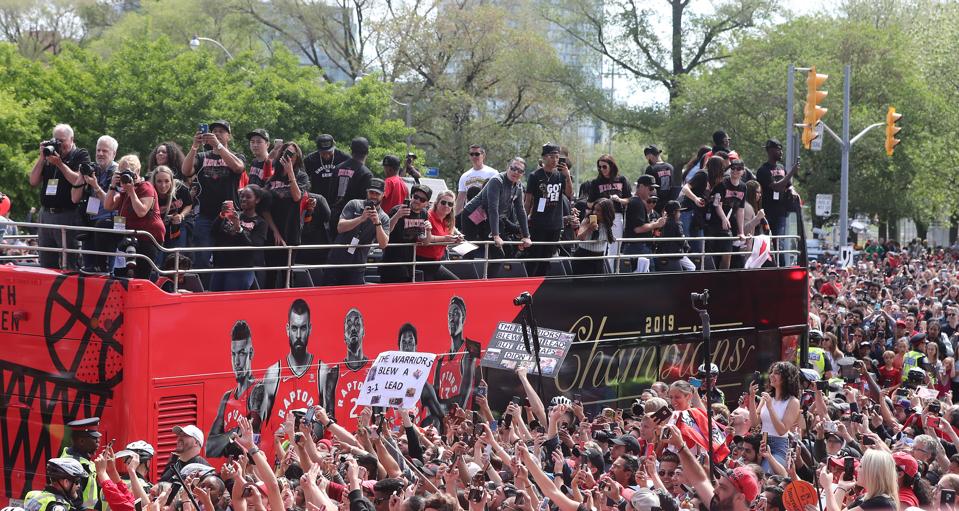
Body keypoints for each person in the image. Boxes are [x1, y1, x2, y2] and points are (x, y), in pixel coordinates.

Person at [181, 120, 246, 285]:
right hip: (206, 216)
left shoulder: (237, 156)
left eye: (221, 131)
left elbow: (238, 168)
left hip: (229, 216)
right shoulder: (203, 157)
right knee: (202, 259)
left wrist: (218, 146)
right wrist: (194, 146)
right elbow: (186, 171)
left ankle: (222, 292)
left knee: (226, 258)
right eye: (214, 131)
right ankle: (203, 291)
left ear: (228, 136)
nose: (216, 133)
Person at [89, 154, 165, 279]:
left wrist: (132, 191)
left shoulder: (146, 187)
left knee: (141, 276)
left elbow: (141, 212)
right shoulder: (123, 191)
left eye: (128, 173)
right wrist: (113, 186)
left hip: (147, 237)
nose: (125, 177)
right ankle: (101, 265)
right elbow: (108, 206)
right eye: (122, 173)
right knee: (103, 224)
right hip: (128, 235)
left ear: (138, 172)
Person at [29, 124, 91, 269]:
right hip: (45, 215)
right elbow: (33, 181)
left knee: (68, 263)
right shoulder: (50, 155)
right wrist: (41, 157)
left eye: (62, 141)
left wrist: (60, 164)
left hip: (67, 215)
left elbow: (78, 180)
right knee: (46, 261)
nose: (59, 144)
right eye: (56, 140)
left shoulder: (80, 154)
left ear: (72, 139)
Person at [207, 320, 268, 457]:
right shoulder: (227, 397)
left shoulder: (257, 390)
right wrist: (234, 433)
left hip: (248, 469)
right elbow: (210, 448)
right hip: (230, 471)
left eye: (241, 353)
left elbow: (252, 435)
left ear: (250, 353)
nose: (237, 362)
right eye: (233, 354)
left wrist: (223, 439)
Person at [461, 158, 531, 277]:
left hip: (489, 218)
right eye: (513, 168)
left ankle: (487, 282)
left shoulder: (518, 186)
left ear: (523, 174)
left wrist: (526, 236)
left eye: (520, 171)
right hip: (472, 215)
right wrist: (496, 235)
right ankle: (465, 280)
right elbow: (493, 208)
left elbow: (521, 210)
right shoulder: (496, 180)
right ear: (508, 167)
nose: (515, 172)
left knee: (499, 254)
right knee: (470, 248)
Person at [322, 178, 390, 286]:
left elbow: (383, 244)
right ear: (366, 192)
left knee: (353, 300)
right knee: (329, 296)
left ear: (383, 195)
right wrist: (361, 218)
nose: (373, 196)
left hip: (357, 265)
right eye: (371, 192)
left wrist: (377, 223)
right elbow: (340, 227)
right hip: (336, 260)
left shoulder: (384, 217)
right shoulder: (354, 204)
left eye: (377, 193)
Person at [261, 142, 310, 289]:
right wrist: (275, 231)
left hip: (291, 230)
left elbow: (297, 197)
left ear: (297, 157)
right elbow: (264, 208)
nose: (287, 157)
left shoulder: (301, 176)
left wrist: (290, 173)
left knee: (287, 275)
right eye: (285, 153)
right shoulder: (273, 178)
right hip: (273, 231)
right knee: (270, 273)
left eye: (291, 154)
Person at [524, 143, 573, 277]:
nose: (555, 160)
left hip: (555, 224)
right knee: (534, 257)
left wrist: (567, 176)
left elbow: (569, 194)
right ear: (544, 158)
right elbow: (528, 201)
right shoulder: (535, 176)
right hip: (538, 223)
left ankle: (541, 282)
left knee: (547, 258)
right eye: (552, 157)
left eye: (557, 157)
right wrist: (523, 223)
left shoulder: (560, 176)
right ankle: (529, 282)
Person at [210, 185, 267, 292]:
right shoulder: (233, 215)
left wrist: (238, 228)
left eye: (248, 197)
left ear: (257, 200)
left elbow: (253, 248)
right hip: (221, 265)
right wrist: (221, 215)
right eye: (242, 196)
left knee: (230, 303)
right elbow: (213, 233)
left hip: (240, 268)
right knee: (214, 302)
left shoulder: (260, 223)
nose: (243, 199)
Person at [319, 308, 372, 422]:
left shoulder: (373, 370)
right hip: (343, 438)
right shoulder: (334, 373)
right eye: (349, 325)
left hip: (366, 438)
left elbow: (379, 415)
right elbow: (329, 416)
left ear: (363, 331)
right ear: (344, 335)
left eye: (357, 324)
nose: (353, 328)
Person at [748, 361, 800, 472]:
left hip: (778, 447)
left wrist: (770, 407)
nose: (771, 375)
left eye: (776, 373)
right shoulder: (766, 397)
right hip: (761, 442)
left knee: (766, 472)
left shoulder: (793, 402)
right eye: (771, 372)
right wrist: (752, 398)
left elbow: (782, 430)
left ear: (786, 377)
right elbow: (754, 423)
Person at [79, 135, 118, 271]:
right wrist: (80, 176)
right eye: (98, 150)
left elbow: (113, 203)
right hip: (91, 224)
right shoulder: (92, 170)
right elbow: (75, 198)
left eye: (105, 151)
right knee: (89, 268)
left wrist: (95, 186)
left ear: (114, 154)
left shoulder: (117, 173)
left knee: (105, 271)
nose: (100, 154)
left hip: (109, 227)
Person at [433, 296, 480, 409]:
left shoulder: (471, 348)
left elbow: (465, 395)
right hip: (443, 421)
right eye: (449, 315)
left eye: (455, 313)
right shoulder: (442, 358)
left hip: (460, 421)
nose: (451, 319)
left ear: (463, 318)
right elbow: (434, 396)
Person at [381, 184, 432, 283]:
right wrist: (397, 216)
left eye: (422, 199)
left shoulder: (424, 214)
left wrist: (429, 231)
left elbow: (425, 242)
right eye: (415, 197)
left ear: (426, 203)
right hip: (391, 260)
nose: (417, 201)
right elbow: (385, 231)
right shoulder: (397, 210)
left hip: (409, 261)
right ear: (411, 197)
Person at [587, 155, 630, 268]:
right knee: (601, 244)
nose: (602, 169)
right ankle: (602, 270)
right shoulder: (596, 182)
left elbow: (629, 199)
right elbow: (589, 203)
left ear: (611, 166)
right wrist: (601, 202)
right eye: (599, 167)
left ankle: (611, 271)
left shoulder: (621, 180)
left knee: (615, 246)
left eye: (604, 166)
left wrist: (619, 199)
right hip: (601, 217)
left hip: (616, 215)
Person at [707, 157, 746, 269]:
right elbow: (717, 204)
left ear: (743, 171)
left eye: (738, 169)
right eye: (733, 168)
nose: (735, 171)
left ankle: (723, 278)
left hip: (727, 226)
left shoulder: (743, 187)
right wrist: (724, 218)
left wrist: (741, 232)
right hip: (714, 222)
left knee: (727, 255)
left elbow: (740, 210)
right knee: (712, 256)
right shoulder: (722, 184)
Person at [329, 137, 374, 234]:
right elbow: (366, 201)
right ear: (367, 152)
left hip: (335, 216)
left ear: (351, 150)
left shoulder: (337, 168)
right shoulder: (366, 173)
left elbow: (331, 193)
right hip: (354, 220)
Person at [415, 190, 462, 281]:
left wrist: (456, 238)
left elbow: (450, 235)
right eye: (443, 202)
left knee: (457, 284)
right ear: (436, 203)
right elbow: (424, 238)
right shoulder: (427, 216)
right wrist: (446, 238)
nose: (446, 206)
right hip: (422, 262)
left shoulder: (449, 219)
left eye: (450, 204)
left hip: (436, 263)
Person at [622, 175, 665, 273]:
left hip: (636, 246)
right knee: (647, 279)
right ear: (641, 186)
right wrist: (656, 224)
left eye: (654, 188)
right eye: (650, 188)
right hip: (637, 247)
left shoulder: (636, 201)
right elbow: (638, 229)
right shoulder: (636, 203)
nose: (652, 191)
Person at [150, 166, 193, 263]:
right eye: (159, 181)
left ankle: (175, 275)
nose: (163, 185)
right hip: (158, 227)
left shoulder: (180, 188)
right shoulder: (149, 192)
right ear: (154, 182)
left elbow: (189, 204)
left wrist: (181, 215)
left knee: (176, 258)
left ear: (171, 181)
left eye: (166, 181)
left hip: (177, 226)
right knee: (158, 259)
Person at [59, 418, 101, 511]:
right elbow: (75, 503)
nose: (99, 441)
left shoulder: (82, 459)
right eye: (95, 438)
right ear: (81, 441)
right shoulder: (76, 467)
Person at [303, 134, 349, 208]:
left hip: (338, 201)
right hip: (317, 200)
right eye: (323, 153)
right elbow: (303, 180)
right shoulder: (309, 160)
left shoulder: (344, 158)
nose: (326, 156)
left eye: (329, 152)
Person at [24, 458, 88, 511]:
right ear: (66, 482)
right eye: (77, 481)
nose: (79, 485)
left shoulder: (33, 494)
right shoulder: (59, 507)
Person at [571, 197, 614, 276]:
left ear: (606, 212)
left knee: (597, 287)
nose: (594, 212)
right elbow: (579, 238)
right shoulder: (587, 219)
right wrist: (589, 229)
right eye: (594, 209)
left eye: (598, 210)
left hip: (599, 258)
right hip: (583, 257)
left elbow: (611, 240)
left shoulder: (608, 223)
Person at [455, 145, 497, 215]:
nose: (474, 157)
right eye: (472, 154)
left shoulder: (493, 173)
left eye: (477, 154)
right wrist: (456, 218)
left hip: (487, 214)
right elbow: (460, 199)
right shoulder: (464, 176)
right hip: (470, 214)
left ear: (483, 155)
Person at [654, 200, 690, 272]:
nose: (680, 213)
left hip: (661, 253)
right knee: (692, 267)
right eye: (679, 211)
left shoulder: (661, 222)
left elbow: (656, 237)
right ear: (674, 212)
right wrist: (687, 248)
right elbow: (682, 241)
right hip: (674, 255)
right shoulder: (677, 224)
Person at [643, 145, 673, 212]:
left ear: (649, 155)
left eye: (647, 157)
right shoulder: (670, 167)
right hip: (669, 205)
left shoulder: (650, 168)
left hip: (655, 205)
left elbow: (647, 188)